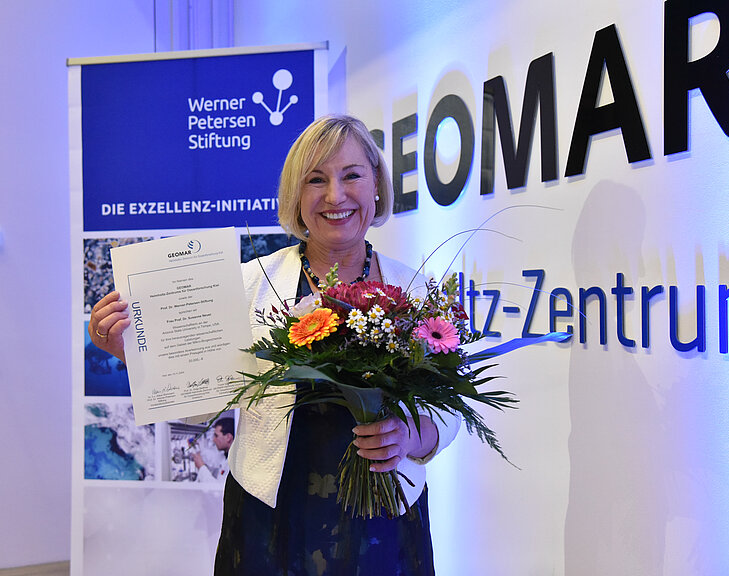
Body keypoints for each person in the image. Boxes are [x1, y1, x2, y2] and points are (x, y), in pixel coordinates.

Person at [88, 114, 461, 575]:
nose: (335, 196)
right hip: (273, 519)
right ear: (295, 197)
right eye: (316, 180)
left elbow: (450, 407)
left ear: (378, 185)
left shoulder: (417, 290)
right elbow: (202, 406)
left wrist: (410, 435)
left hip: (384, 521)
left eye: (351, 176)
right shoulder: (251, 284)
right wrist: (136, 357)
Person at [192, 417, 235, 483]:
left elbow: (218, 490)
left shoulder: (234, 463)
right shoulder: (225, 456)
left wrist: (201, 467)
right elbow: (212, 461)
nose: (213, 440)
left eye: (216, 436)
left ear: (228, 437)